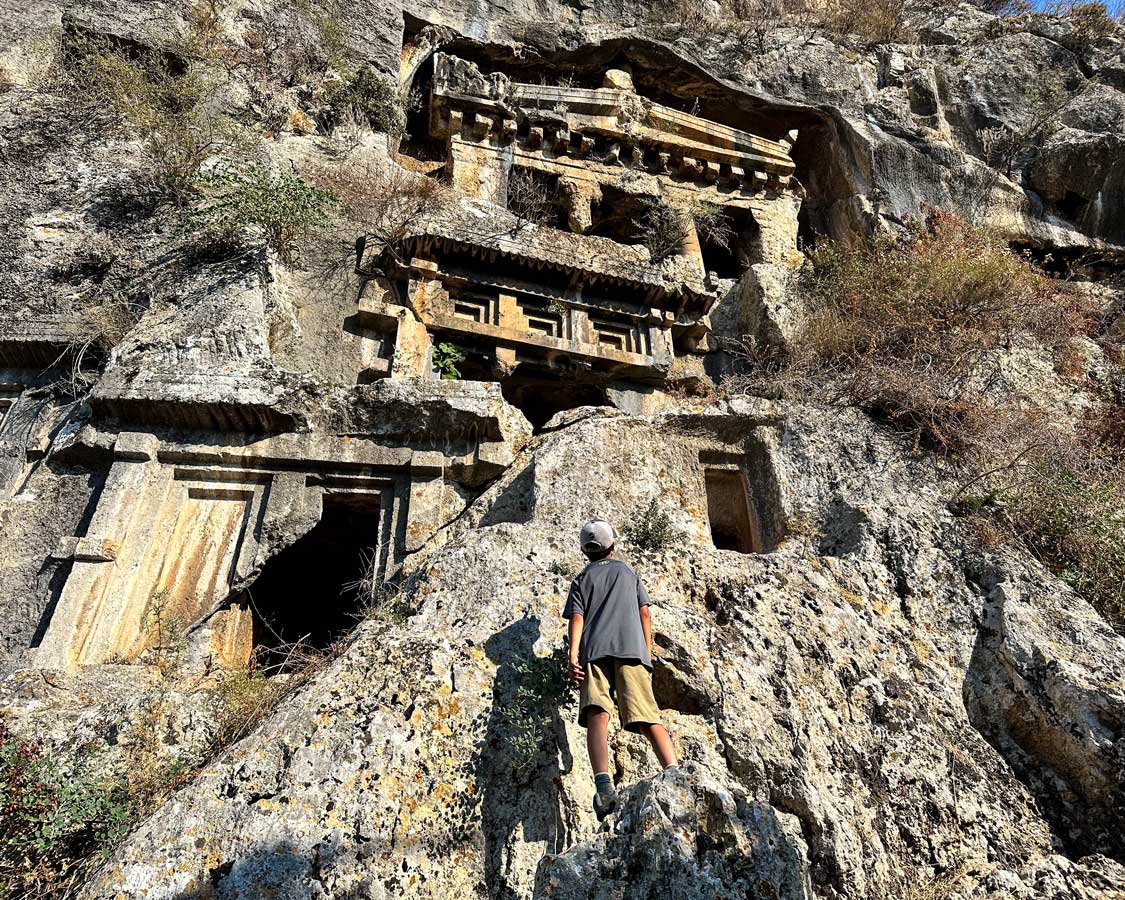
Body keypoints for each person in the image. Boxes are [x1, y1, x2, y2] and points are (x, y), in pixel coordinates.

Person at [562, 518, 677, 820]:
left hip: (594, 652)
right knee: (647, 716)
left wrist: (573, 656)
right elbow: (645, 615)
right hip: (631, 649)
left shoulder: (581, 580)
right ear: (613, 544)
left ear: (585, 551)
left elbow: (577, 619)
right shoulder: (628, 573)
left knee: (597, 715)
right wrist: (647, 651)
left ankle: (603, 786)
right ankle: (674, 771)